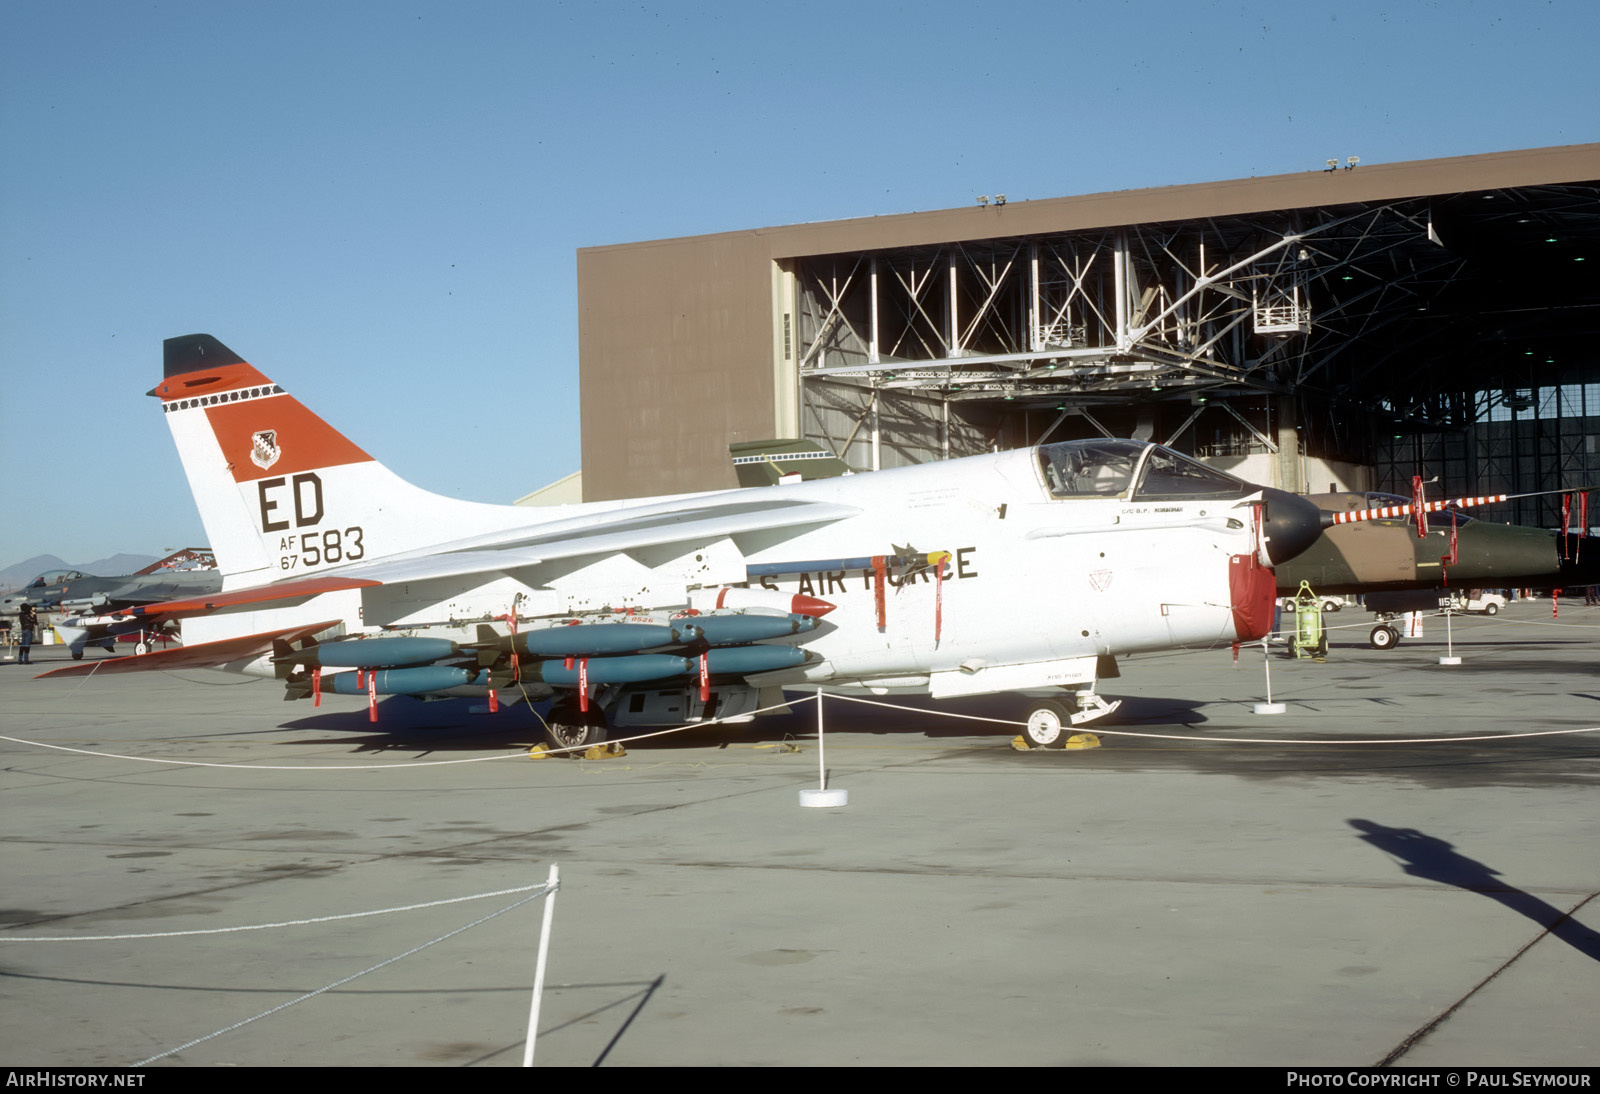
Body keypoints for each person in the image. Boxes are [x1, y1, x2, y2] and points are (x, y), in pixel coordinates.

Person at [17, 600, 37, 665]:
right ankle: (26, 659)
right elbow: (34, 621)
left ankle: (20, 659)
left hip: (23, 630)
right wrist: (34, 615)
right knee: (27, 645)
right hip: (28, 630)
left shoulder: (21, 614)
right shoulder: (26, 615)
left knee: (22, 645)